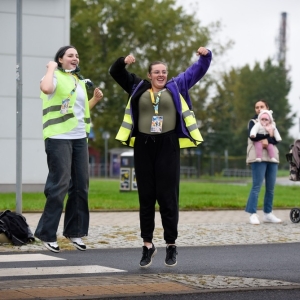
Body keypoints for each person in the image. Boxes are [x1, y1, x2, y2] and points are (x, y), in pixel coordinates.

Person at [109, 47, 212, 268]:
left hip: (168, 146)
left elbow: (198, 70)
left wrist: (206, 55)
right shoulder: (138, 86)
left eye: (164, 71)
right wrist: (123, 61)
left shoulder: (177, 86)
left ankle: (171, 245)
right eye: (156, 72)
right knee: (146, 197)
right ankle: (147, 245)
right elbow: (115, 72)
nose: (161, 75)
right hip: (144, 146)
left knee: (168, 198)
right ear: (149, 75)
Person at [34, 45, 103, 253]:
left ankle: (75, 232)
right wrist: (51, 67)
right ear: (61, 59)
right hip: (57, 137)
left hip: (79, 137)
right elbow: (46, 89)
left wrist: (95, 100)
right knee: (60, 184)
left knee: (81, 185)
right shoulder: (52, 76)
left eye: (77, 56)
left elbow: (78, 110)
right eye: (70, 55)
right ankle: (46, 234)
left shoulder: (78, 81)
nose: (75, 58)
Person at [245, 100, 282, 225]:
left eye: (261, 106)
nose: (259, 109)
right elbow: (252, 136)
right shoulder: (252, 122)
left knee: (270, 188)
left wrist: (268, 141)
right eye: (256, 107)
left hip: (272, 158)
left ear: (267, 107)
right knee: (257, 186)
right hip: (257, 157)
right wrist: (267, 138)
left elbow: (276, 140)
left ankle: (268, 213)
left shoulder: (272, 123)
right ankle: (252, 213)